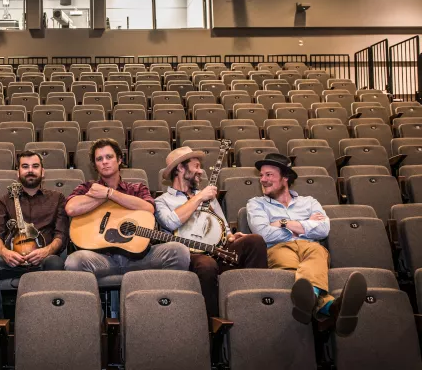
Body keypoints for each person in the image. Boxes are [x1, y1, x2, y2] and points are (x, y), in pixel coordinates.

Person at [246, 153, 367, 336]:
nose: (263, 179)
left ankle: (310, 299)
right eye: (261, 175)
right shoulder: (256, 204)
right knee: (291, 268)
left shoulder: (309, 202)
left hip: (311, 246)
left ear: (285, 177)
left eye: (269, 174)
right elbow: (263, 233)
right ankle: (330, 307)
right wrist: (304, 224)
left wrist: (284, 223)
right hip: (278, 248)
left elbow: (323, 229)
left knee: (317, 253)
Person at [155, 147, 268, 317]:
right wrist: (199, 197)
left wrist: (231, 236)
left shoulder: (207, 196)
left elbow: (223, 226)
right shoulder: (162, 201)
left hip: (217, 250)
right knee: (207, 264)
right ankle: (212, 323)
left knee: (255, 241)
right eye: (196, 166)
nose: (201, 171)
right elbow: (171, 223)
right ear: (180, 168)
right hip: (189, 254)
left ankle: (255, 308)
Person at [64, 138, 190, 275]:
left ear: (119, 160)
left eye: (109, 157)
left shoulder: (137, 188)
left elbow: (149, 208)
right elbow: (71, 208)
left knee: (179, 251)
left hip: (140, 258)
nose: (104, 162)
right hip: (102, 259)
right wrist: (100, 197)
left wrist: (110, 193)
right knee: (73, 261)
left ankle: (163, 296)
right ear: (95, 165)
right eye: (99, 159)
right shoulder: (87, 188)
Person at [0, 151, 67, 318]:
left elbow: (61, 235)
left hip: (43, 260)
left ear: (43, 172)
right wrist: (4, 253)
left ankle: (49, 319)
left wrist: (45, 251)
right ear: (18, 173)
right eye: (25, 167)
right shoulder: (5, 200)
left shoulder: (57, 198)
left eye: (35, 166)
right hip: (12, 261)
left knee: (55, 262)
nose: (30, 170)